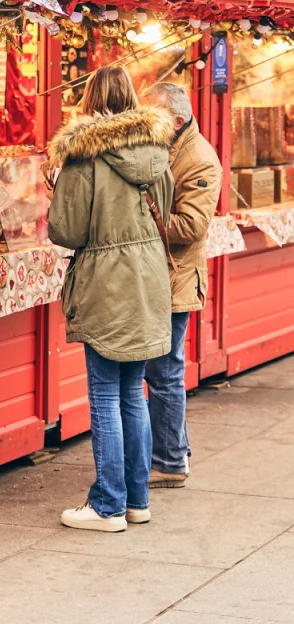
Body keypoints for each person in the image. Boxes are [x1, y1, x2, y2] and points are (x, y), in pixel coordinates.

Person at [48, 66, 174, 532]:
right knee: (133, 394)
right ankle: (136, 500)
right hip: (148, 279)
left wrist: (54, 192)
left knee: (103, 394)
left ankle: (107, 504)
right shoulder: (157, 150)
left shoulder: (84, 157)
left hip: (105, 280)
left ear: (90, 102)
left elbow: (67, 230)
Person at [145, 83, 222, 488]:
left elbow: (190, 227)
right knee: (162, 371)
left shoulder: (200, 159)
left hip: (174, 280)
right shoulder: (168, 144)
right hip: (158, 276)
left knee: (164, 372)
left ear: (176, 121)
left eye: (153, 116)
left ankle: (170, 463)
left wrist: (140, 219)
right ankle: (175, 454)